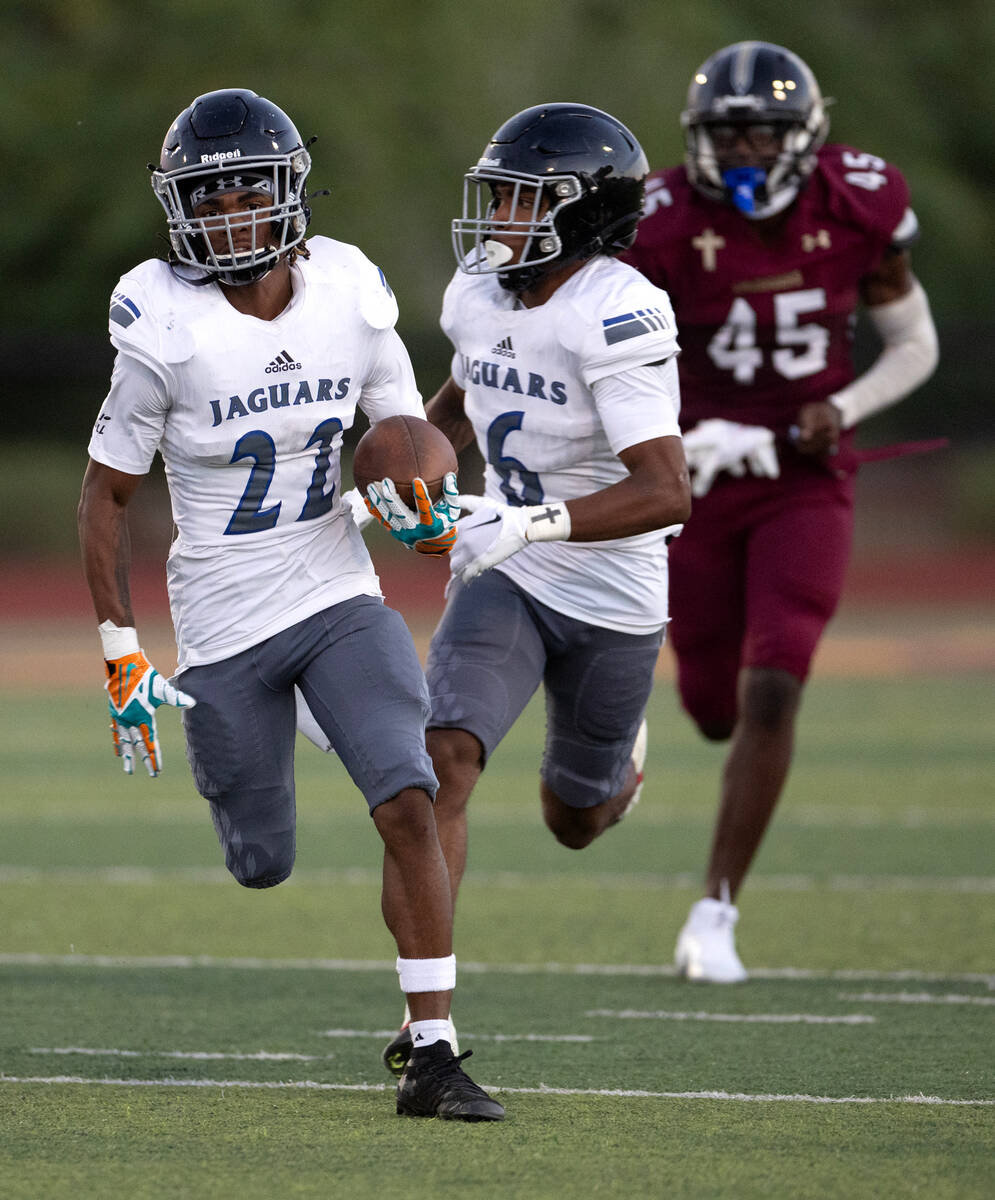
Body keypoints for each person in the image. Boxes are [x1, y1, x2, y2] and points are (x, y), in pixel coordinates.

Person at [76, 87, 504, 1120]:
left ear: (285, 195)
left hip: (333, 592)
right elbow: (106, 494)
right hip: (223, 625)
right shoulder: (161, 322)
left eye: (244, 193)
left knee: (408, 797)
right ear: (181, 209)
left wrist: (426, 510)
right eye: (207, 198)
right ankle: (295, 734)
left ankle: (433, 1049)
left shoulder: (349, 291)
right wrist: (120, 650)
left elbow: (405, 435)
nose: (227, 216)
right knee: (261, 863)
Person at [365, 102, 691, 1075]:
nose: (496, 215)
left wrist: (530, 517)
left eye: (519, 198)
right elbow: (465, 398)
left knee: (573, 819)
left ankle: (616, 766)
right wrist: (417, 470)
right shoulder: (480, 292)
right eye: (496, 193)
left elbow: (665, 491)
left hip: (610, 589)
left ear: (584, 213)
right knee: (439, 762)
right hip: (504, 573)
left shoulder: (615, 308)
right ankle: (429, 1025)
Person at [622, 42, 939, 981]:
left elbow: (912, 345)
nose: (749, 149)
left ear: (805, 134)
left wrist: (837, 409)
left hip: (805, 475)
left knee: (776, 684)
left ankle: (715, 912)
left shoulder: (855, 202)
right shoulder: (661, 223)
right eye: (730, 132)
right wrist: (673, 433)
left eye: (764, 129)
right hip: (690, 483)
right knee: (714, 707)